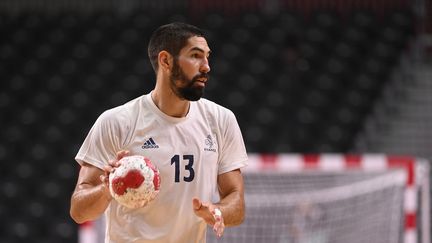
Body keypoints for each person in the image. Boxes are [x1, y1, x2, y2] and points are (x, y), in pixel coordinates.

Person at [69, 22, 248, 243]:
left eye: (207, 57)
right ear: (165, 60)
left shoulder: (221, 120)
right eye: (195, 56)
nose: (206, 66)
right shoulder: (116, 122)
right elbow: (79, 211)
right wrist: (108, 188)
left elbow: (236, 205)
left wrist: (218, 211)